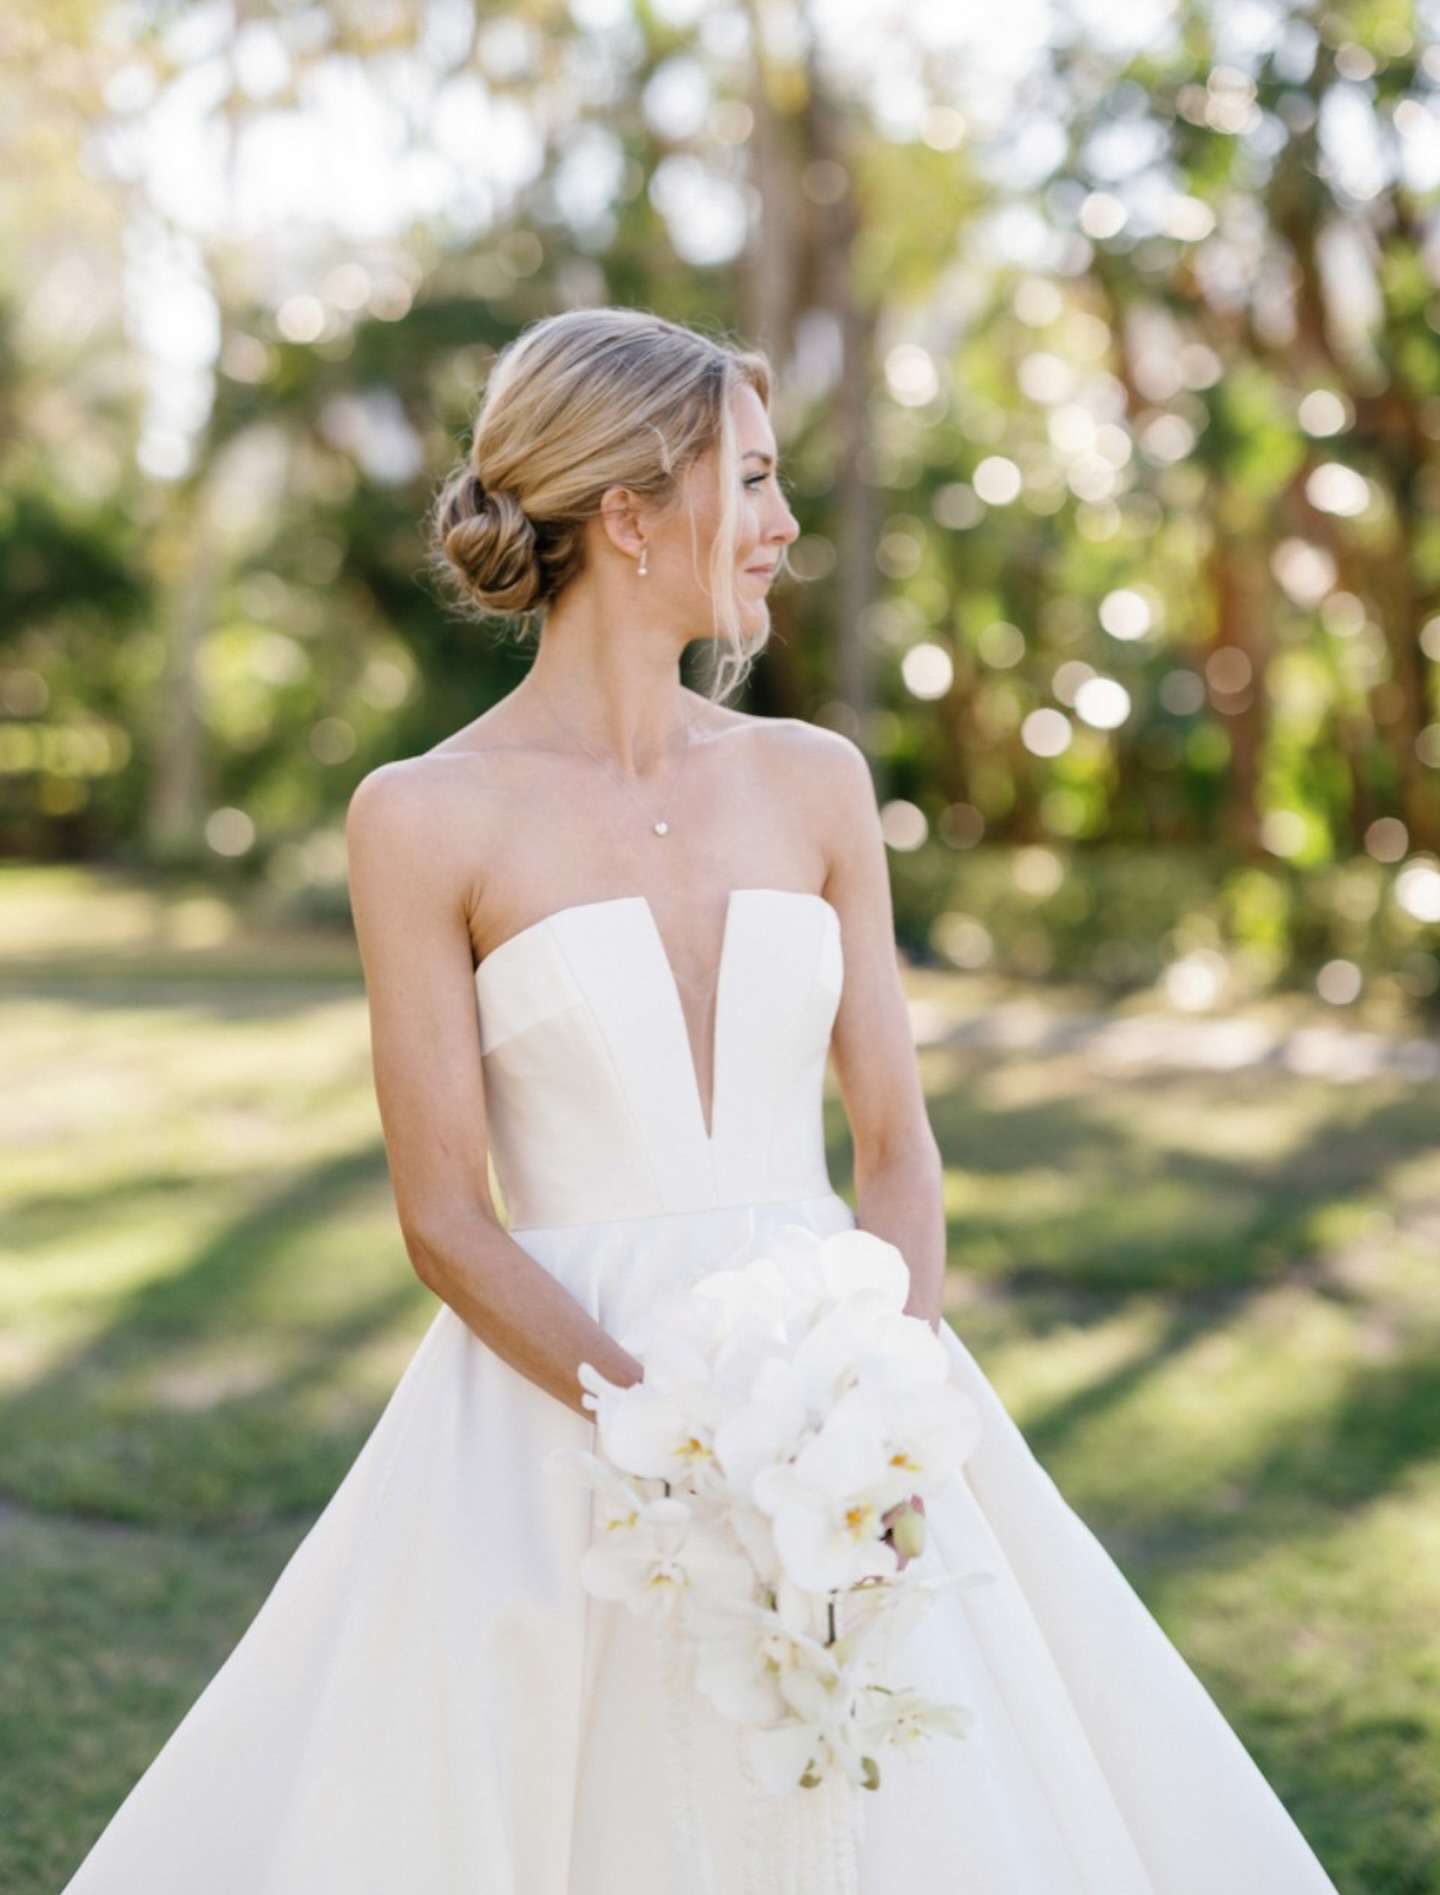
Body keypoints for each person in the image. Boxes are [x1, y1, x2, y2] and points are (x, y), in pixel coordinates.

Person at [60, 306, 1340, 1893]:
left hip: (844, 1403)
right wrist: (681, 1447)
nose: (784, 522)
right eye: (753, 478)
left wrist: (876, 1425)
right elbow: (446, 1217)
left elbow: (897, 1145)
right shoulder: (423, 818)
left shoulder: (816, 781)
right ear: (629, 512)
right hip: (559, 1415)